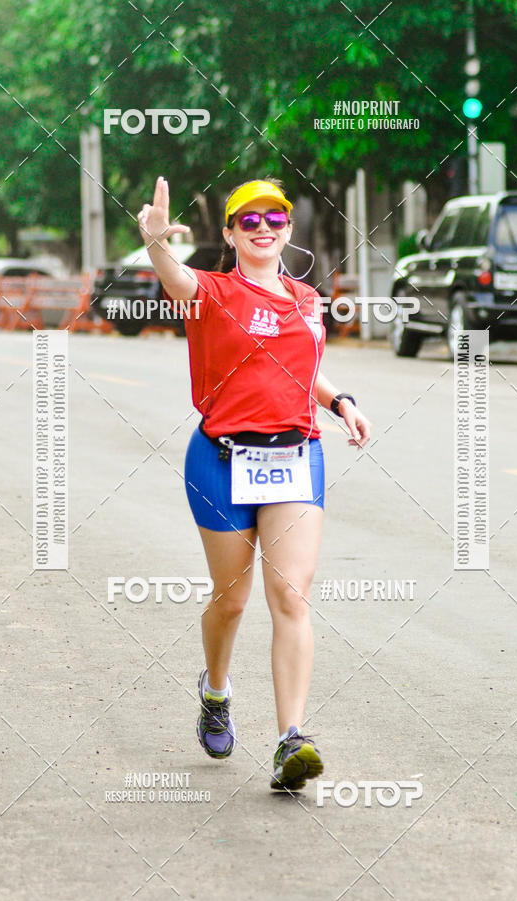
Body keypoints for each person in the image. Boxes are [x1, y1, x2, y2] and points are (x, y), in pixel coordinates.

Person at [138, 176, 371, 791]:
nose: (263, 228)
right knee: (232, 599)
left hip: (297, 458)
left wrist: (340, 401)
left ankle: (291, 739)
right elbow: (173, 277)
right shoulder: (210, 293)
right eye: (250, 220)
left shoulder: (304, 300)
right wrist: (157, 242)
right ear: (231, 233)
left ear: (289, 229)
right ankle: (216, 690)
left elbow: (302, 371)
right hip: (221, 460)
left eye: (275, 218)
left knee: (291, 597)